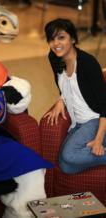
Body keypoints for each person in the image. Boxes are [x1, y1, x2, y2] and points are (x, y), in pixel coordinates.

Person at [44, 18, 106, 174]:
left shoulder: (87, 63)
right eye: (52, 39)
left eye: (61, 37)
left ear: (72, 39)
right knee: (66, 166)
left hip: (95, 119)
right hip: (78, 122)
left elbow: (105, 105)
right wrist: (61, 100)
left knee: (69, 156)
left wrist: (98, 140)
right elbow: (65, 85)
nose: (56, 43)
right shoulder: (54, 58)